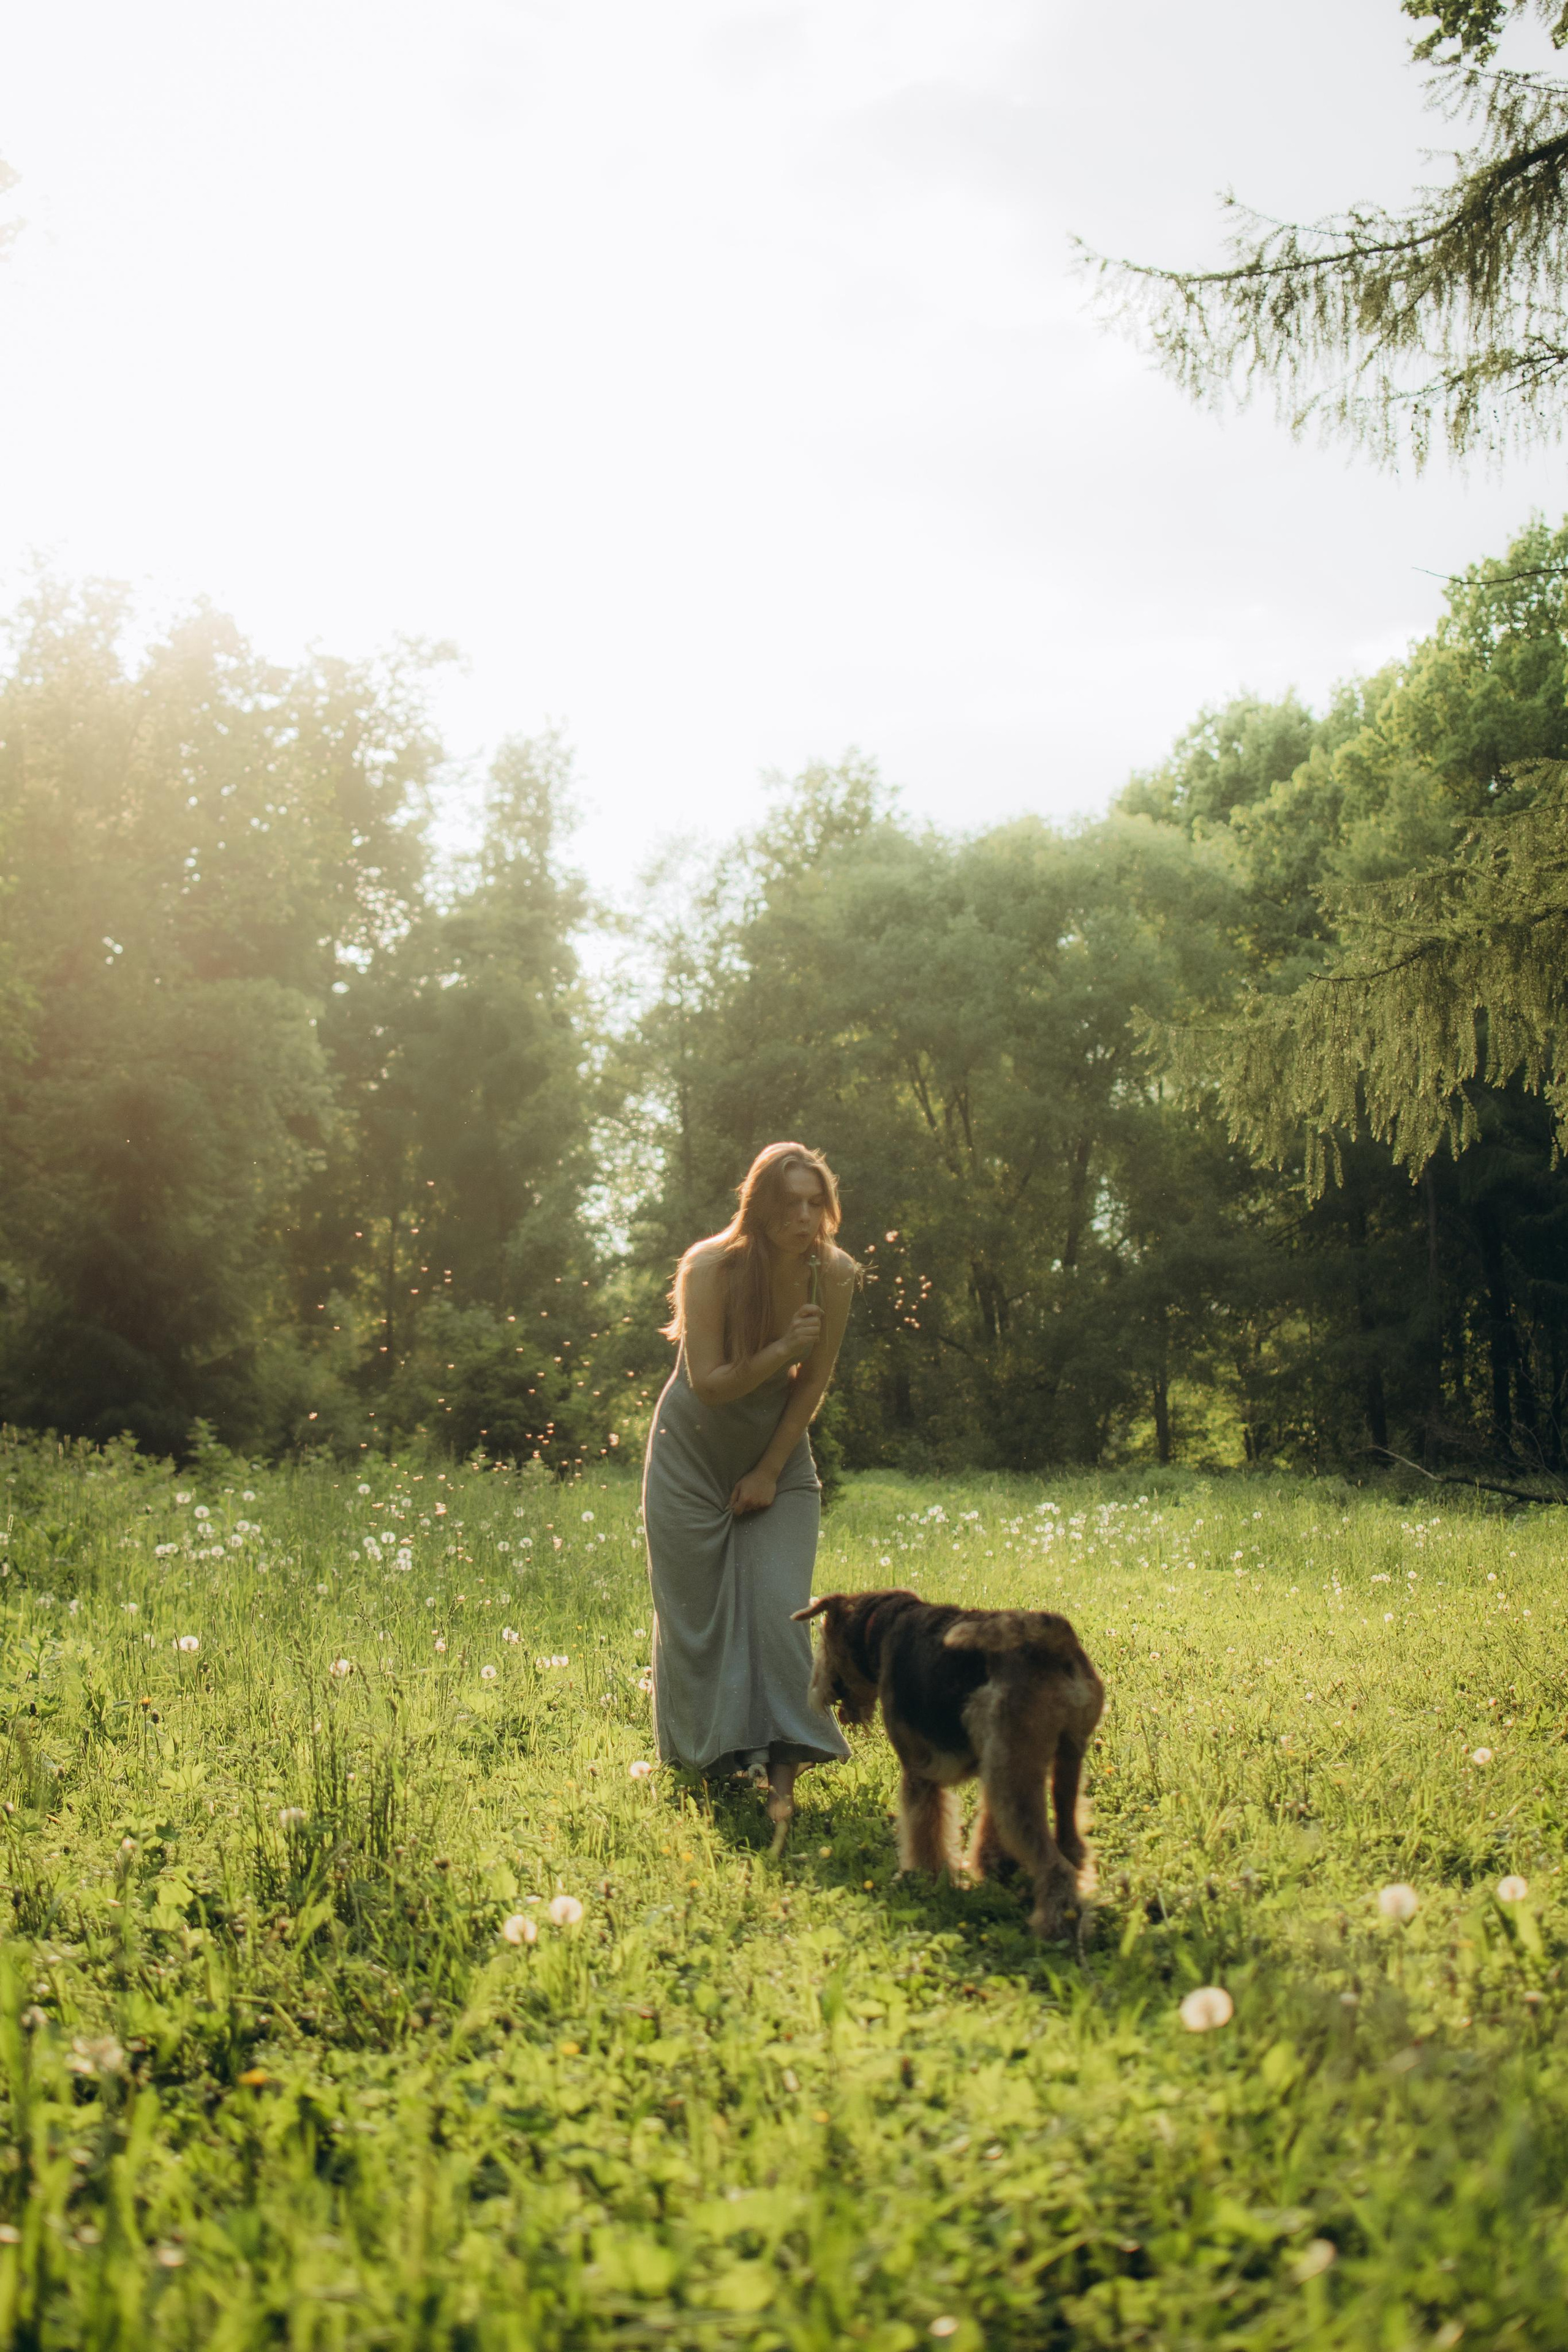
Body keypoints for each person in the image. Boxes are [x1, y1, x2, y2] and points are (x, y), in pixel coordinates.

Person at [643, 1140, 858, 1845]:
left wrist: (769, 1470)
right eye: (788, 1203)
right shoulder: (709, 1266)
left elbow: (812, 1387)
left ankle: (784, 1774)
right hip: (690, 1459)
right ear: (759, 1207)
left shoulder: (834, 1274)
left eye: (813, 1203)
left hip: (777, 1455)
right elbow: (708, 1383)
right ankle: (711, 1765)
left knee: (777, 1610)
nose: (803, 1216)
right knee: (695, 1620)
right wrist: (779, 1353)